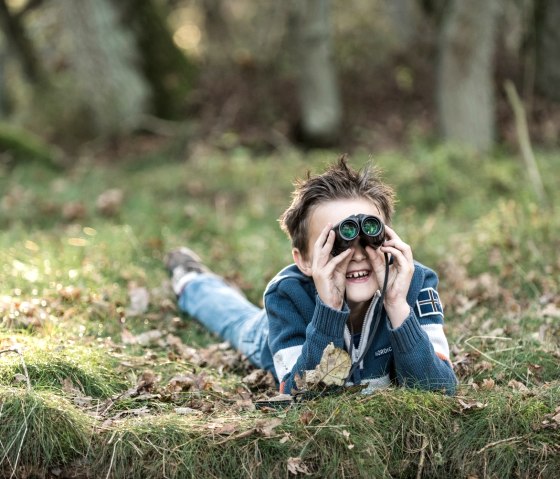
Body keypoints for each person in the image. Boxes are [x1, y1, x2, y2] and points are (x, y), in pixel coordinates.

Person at [166, 156, 457, 395]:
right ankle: (192, 280)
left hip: (391, 300)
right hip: (290, 333)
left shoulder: (414, 283)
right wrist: (329, 308)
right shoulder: (289, 296)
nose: (356, 254)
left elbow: (439, 390)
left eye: (369, 236)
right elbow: (305, 397)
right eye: (336, 242)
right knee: (236, 321)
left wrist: (397, 306)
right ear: (304, 260)